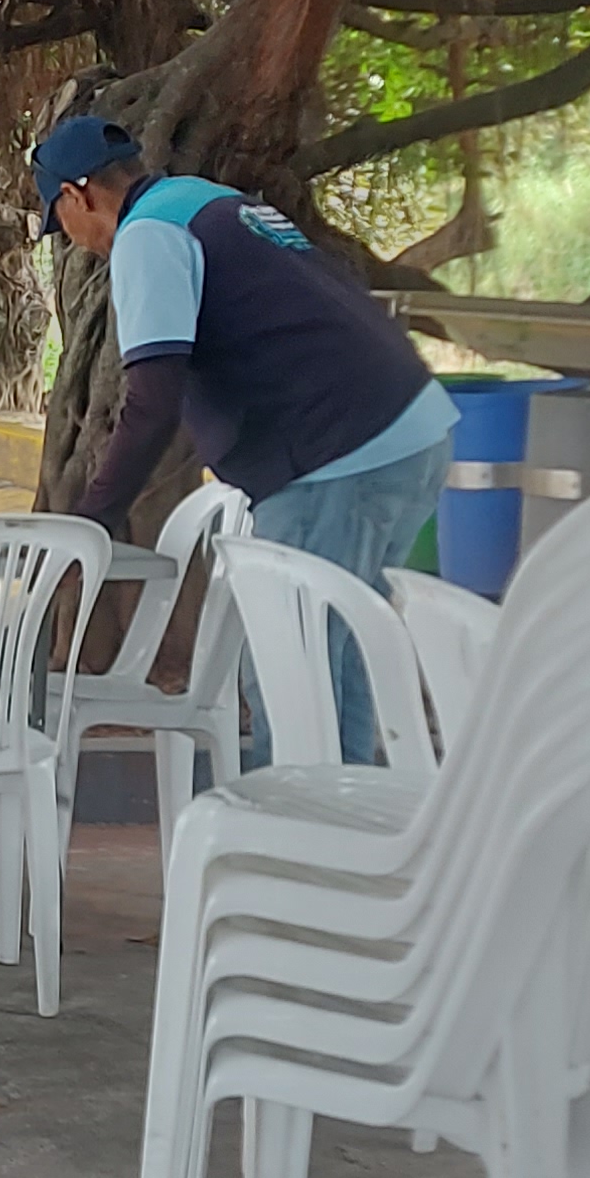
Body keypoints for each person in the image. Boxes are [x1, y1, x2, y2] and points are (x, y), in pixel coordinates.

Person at [36, 112, 455, 764]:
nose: (72, 240)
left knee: (290, 673)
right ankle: (339, 819)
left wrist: (89, 524)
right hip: (408, 432)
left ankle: (291, 820)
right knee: (335, 663)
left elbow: (152, 401)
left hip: (333, 459)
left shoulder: (148, 236)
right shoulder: (206, 200)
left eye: (59, 221)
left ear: (77, 195)